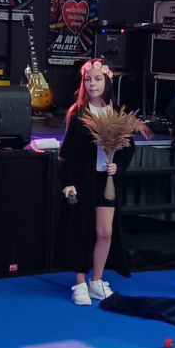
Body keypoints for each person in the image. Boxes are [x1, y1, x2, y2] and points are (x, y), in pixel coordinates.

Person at [59, 58, 137, 305]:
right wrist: (68, 182)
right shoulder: (79, 114)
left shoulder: (116, 113)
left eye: (97, 79)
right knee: (82, 230)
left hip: (106, 181)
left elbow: (128, 148)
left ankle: (97, 280)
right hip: (83, 180)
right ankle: (80, 282)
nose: (92, 84)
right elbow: (67, 154)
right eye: (88, 80)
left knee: (105, 232)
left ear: (107, 81)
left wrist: (118, 166)